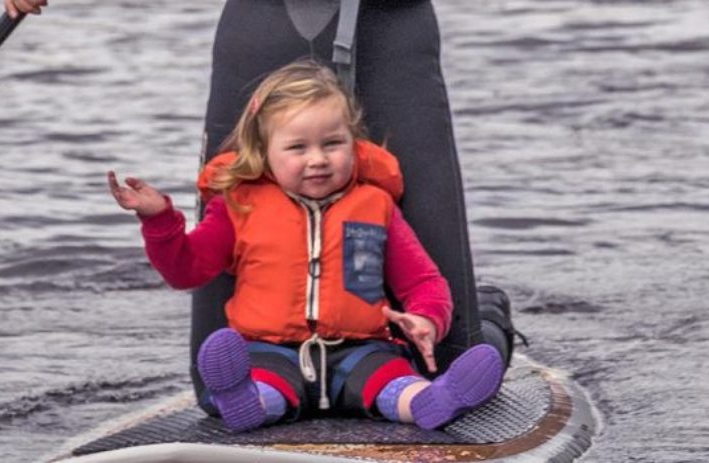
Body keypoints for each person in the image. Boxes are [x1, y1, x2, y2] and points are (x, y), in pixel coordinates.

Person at [107, 60, 502, 432]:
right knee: (268, 386)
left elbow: (423, 282)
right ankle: (244, 404)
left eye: (333, 143)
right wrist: (158, 220)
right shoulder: (239, 207)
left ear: (354, 143)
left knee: (392, 382)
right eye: (297, 148)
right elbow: (185, 270)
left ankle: (431, 403)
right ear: (264, 153)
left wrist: (427, 319)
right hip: (269, 350)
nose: (317, 159)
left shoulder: (375, 205)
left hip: (362, 349)